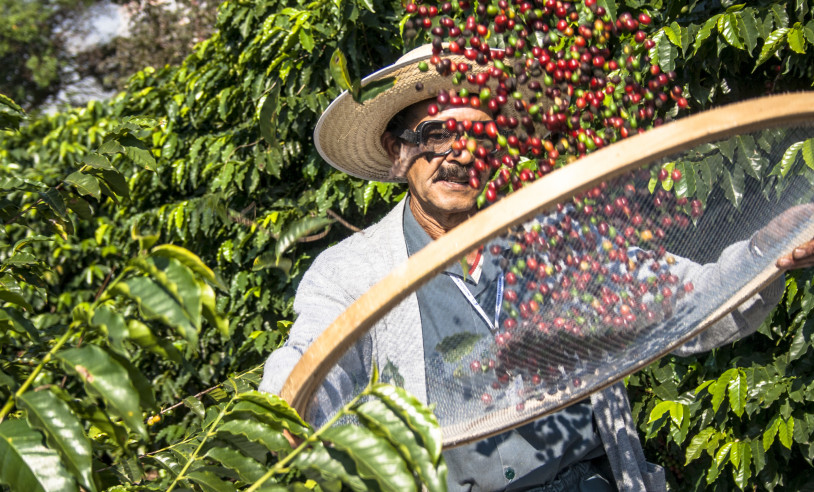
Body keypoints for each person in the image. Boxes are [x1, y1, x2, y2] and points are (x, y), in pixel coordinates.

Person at [260, 46, 814, 491]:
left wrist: (764, 249)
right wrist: (276, 421)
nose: (459, 154)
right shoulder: (352, 271)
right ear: (397, 150)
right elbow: (311, 360)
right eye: (435, 135)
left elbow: (683, 302)